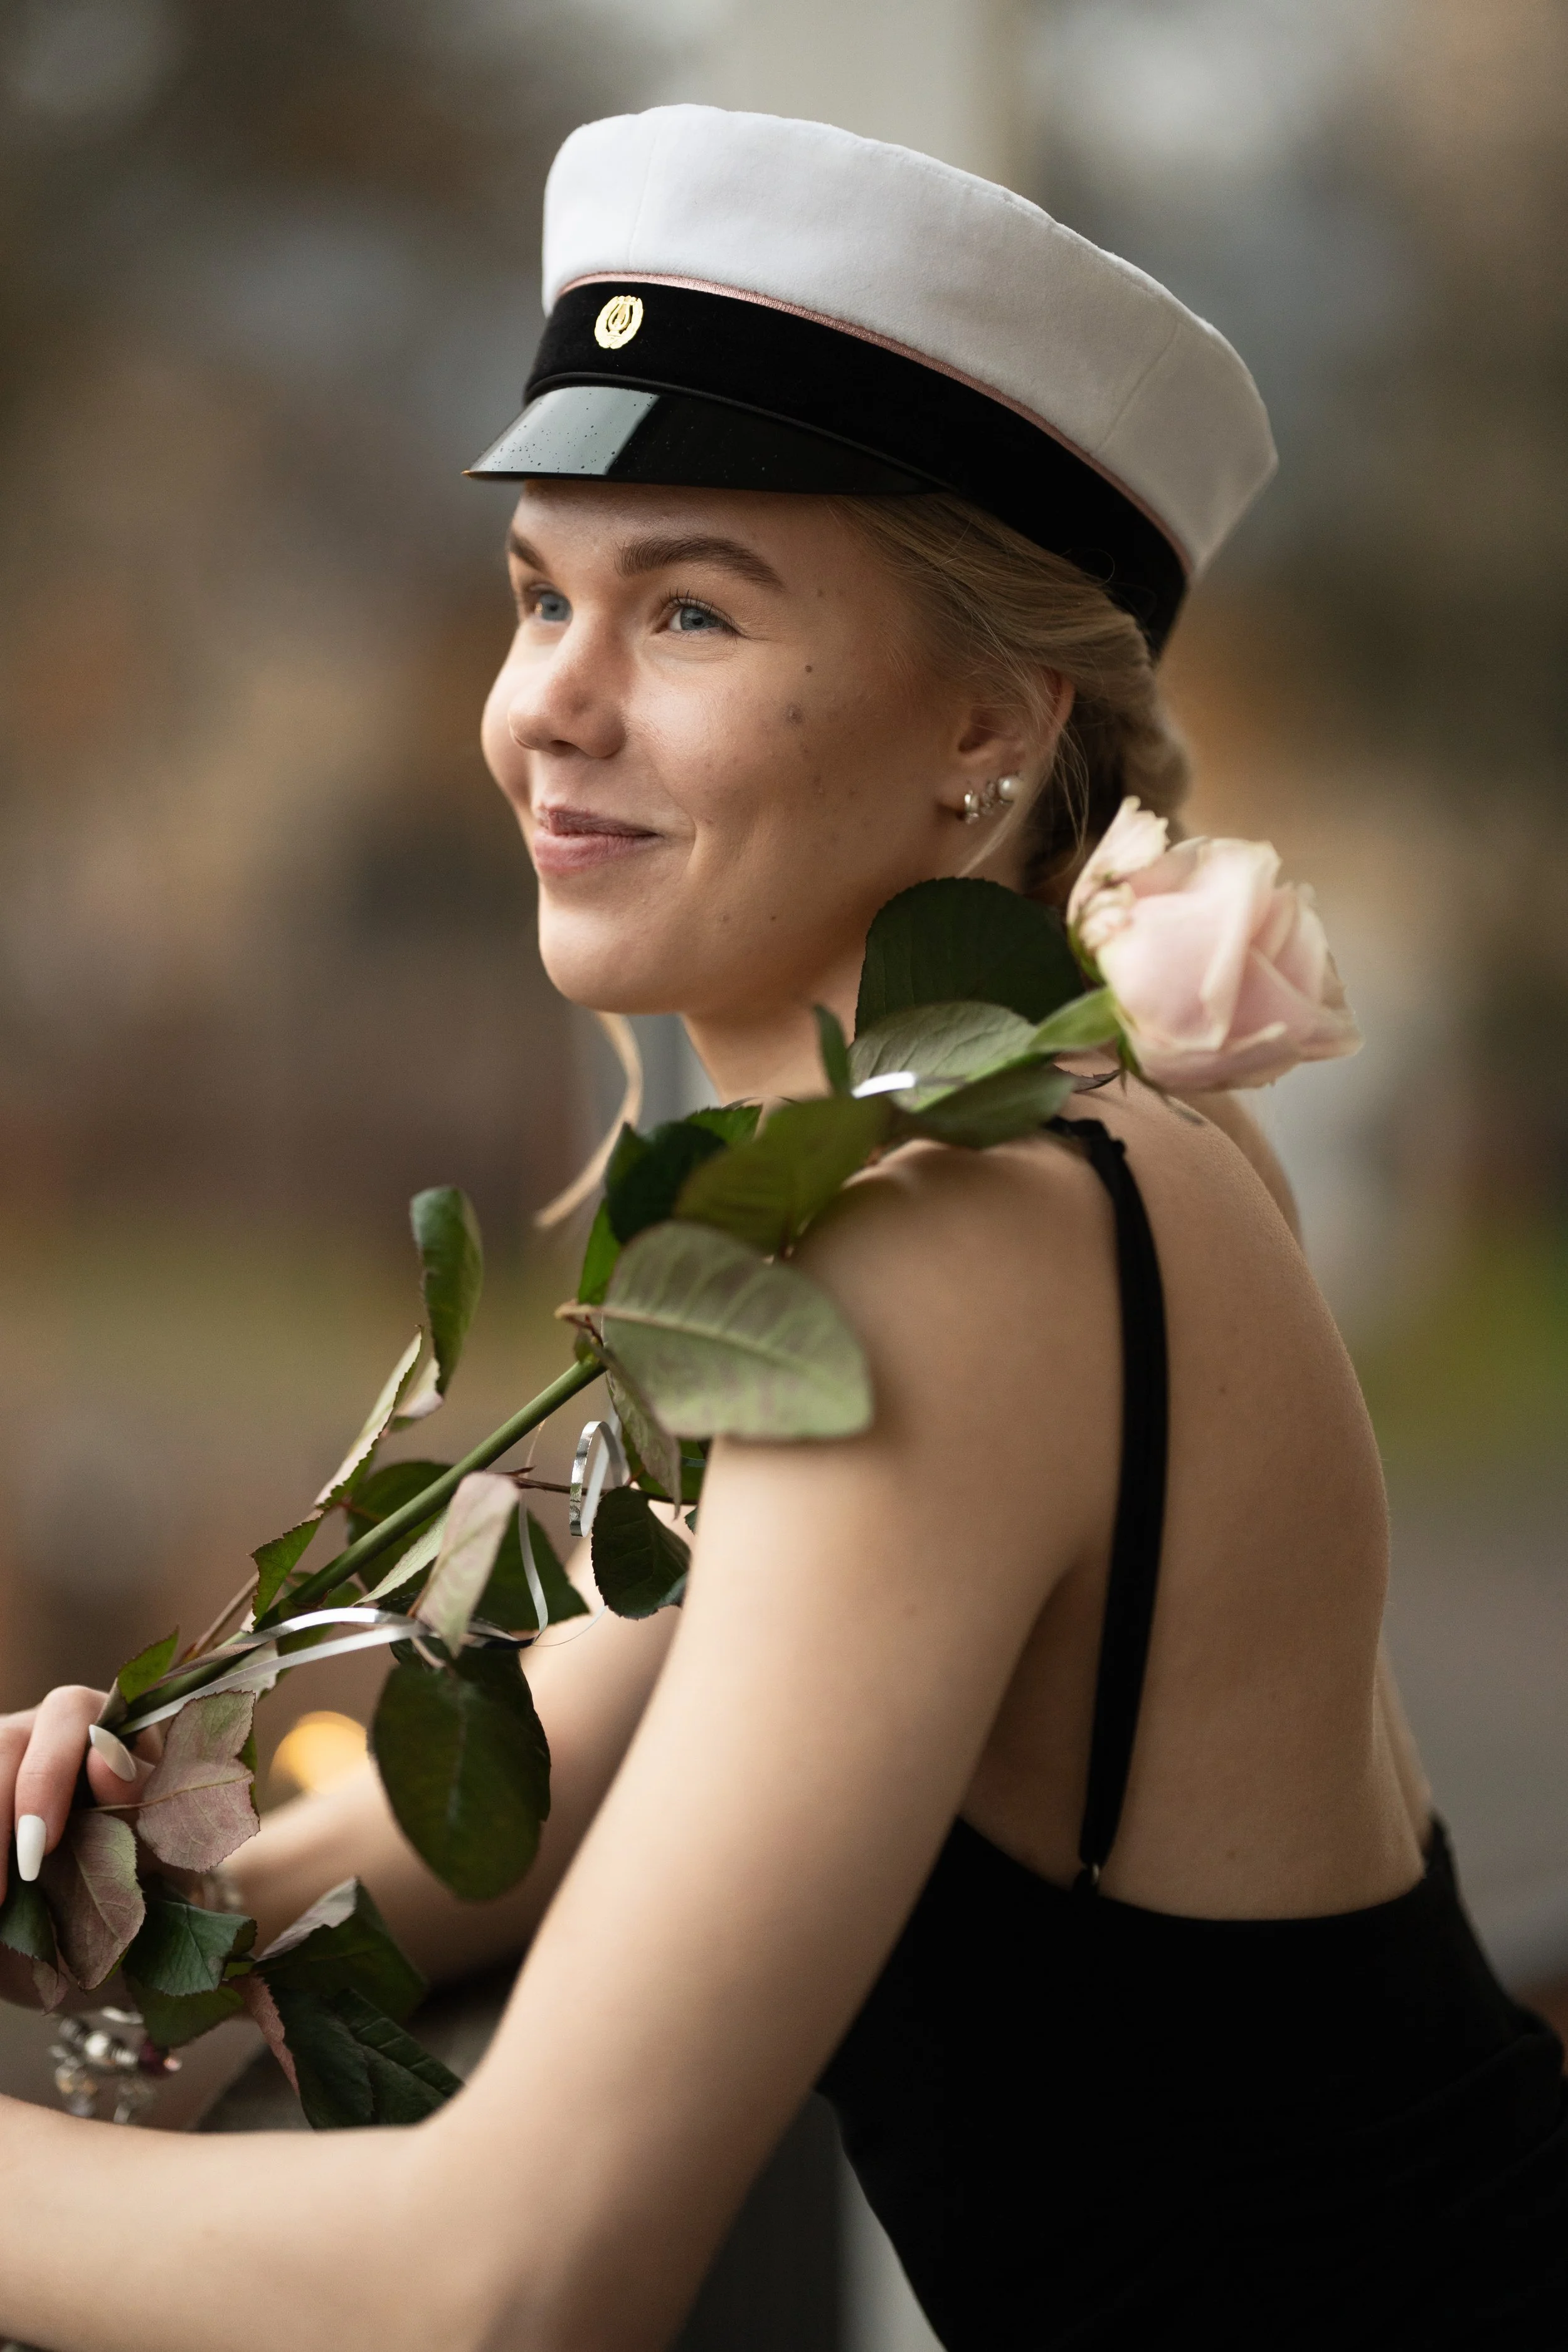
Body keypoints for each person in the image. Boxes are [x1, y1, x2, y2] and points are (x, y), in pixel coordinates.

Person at [1, 105, 1564, 2352]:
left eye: (692, 606)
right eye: (541, 591)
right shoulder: (993, 1164)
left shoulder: (966, 1248)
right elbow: (516, 1817)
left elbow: (518, 2278)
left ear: (987, 722)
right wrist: (124, 1875)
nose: (550, 698)